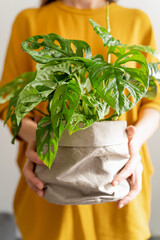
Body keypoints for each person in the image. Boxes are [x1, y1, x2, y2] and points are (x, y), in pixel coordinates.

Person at [0, 0, 160, 239]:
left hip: (118, 181)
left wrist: (133, 143)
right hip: (50, 188)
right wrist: (45, 139)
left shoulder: (137, 20)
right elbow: (8, 105)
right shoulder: (29, 20)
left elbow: (153, 101)